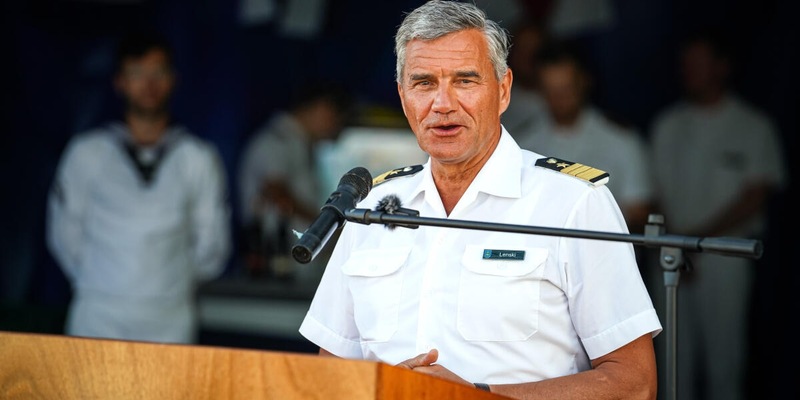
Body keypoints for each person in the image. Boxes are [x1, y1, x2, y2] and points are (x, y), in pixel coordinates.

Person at [298, 1, 662, 399]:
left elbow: (633, 384)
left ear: (503, 90)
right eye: (423, 83)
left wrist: (480, 396)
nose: (442, 103)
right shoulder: (370, 208)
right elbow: (329, 375)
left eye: (465, 81)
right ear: (402, 96)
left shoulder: (573, 204)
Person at [46, 30, 232, 344]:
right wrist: (102, 283)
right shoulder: (87, 152)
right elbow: (64, 235)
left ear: (173, 79)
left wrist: (168, 283)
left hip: (170, 316)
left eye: (158, 73)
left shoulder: (197, 157)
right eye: (137, 73)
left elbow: (212, 244)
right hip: (98, 313)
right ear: (119, 81)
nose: (149, 84)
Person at [649, 30, 787, 400]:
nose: (689, 71)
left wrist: (698, 240)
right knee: (672, 361)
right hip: (671, 257)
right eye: (686, 64)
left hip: (725, 258)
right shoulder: (667, 125)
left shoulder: (752, 126)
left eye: (699, 63)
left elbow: (755, 196)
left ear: (722, 67)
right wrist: (679, 242)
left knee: (725, 361)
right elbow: (653, 192)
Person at [516, 42, 654, 233]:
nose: (559, 99)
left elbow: (640, 212)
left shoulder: (620, 139)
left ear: (584, 82)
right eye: (551, 91)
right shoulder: (523, 143)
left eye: (566, 89)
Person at [237, 81, 352, 279]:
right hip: (275, 268)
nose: (337, 127)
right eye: (337, 117)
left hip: (300, 265)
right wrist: (324, 227)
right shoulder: (275, 141)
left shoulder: (300, 145)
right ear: (321, 109)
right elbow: (277, 193)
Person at [500, 19, 549, 138]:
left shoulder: (559, 98)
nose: (527, 58)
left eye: (535, 51)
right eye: (521, 50)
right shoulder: (498, 97)